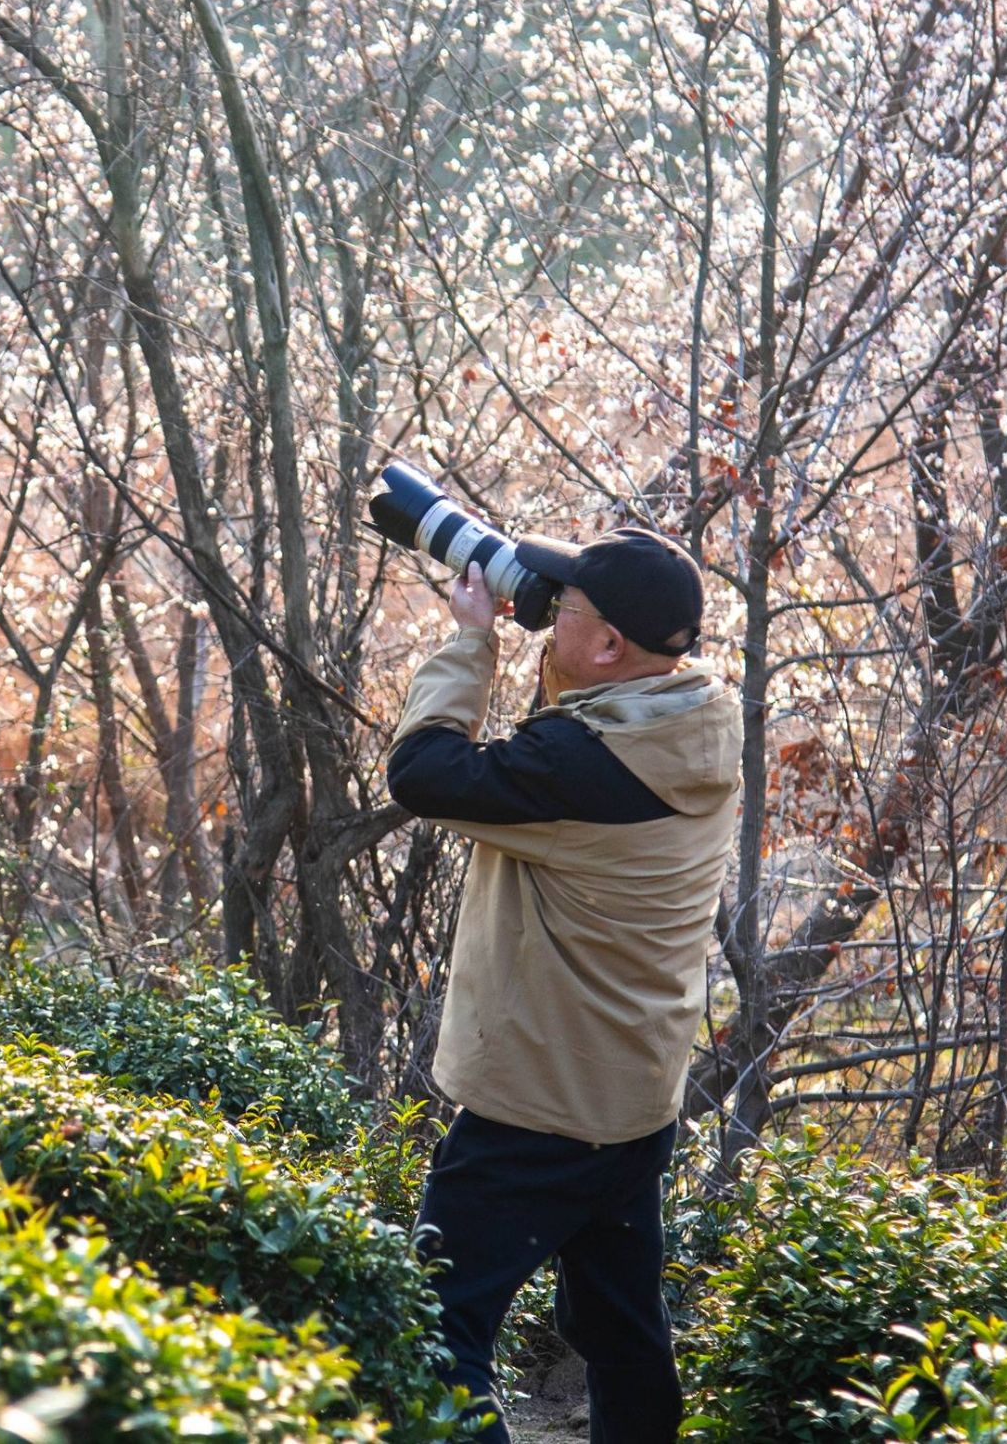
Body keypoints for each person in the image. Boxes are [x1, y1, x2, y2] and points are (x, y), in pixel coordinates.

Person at [386, 525, 742, 1444]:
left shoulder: (580, 773)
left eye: (566, 613)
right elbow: (584, 715)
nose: (549, 621)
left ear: (611, 645)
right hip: (632, 1102)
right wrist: (568, 619)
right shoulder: (695, 712)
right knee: (623, 1337)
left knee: (430, 1330)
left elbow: (422, 773)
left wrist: (473, 638)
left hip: (536, 1113)